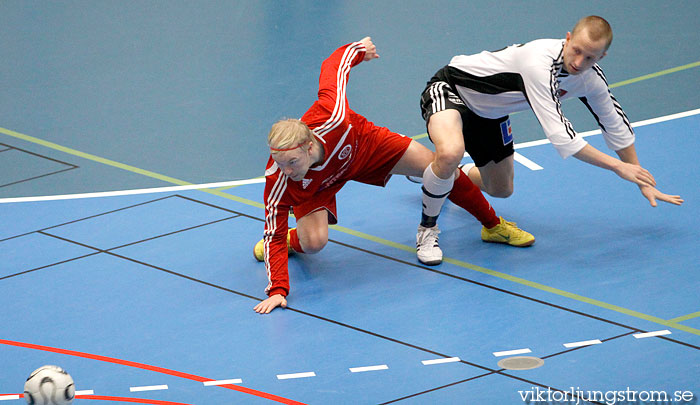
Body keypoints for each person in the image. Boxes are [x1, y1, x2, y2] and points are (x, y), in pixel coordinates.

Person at [252, 37, 534, 314]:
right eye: (280, 163)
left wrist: (359, 49)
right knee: (314, 244)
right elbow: (272, 232)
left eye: (291, 161)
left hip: (365, 146)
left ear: (309, 145)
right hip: (318, 186)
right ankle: (296, 239)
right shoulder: (280, 179)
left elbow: (333, 67)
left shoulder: (332, 116)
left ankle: (492, 225)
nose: (285, 170)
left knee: (438, 166)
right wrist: (278, 290)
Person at [420, 15, 683, 220]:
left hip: (491, 112)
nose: (579, 62)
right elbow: (561, 137)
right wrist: (617, 167)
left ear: (602, 57)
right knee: (450, 151)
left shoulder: (590, 79)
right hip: (453, 89)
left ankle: (433, 171)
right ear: (567, 39)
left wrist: (639, 176)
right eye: (576, 50)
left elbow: (616, 127)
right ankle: (437, 182)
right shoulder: (538, 63)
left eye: (590, 57)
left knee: (502, 190)